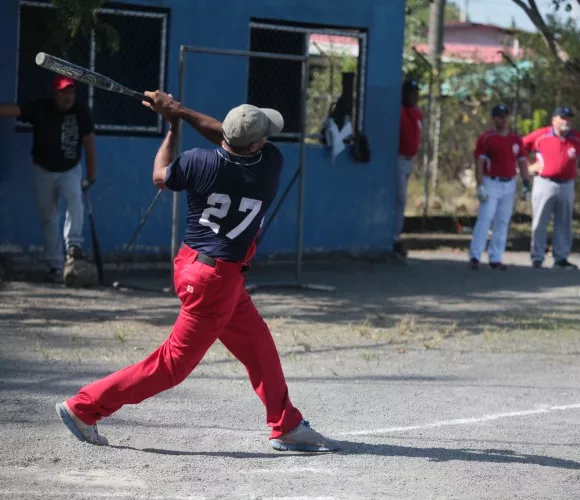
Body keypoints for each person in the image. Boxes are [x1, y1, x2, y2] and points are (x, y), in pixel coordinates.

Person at [54, 91, 339, 453]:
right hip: (215, 281)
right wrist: (181, 112)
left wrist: (172, 125)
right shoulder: (271, 162)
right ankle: (84, 408)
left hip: (198, 267)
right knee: (171, 365)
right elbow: (227, 134)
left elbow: (161, 175)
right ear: (255, 146)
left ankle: (287, 424)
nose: (267, 139)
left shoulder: (196, 162)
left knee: (258, 344)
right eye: (261, 135)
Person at [0, 75, 97, 283]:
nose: (68, 96)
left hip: (70, 169)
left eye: (71, 91)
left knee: (75, 203)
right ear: (54, 93)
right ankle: (55, 266)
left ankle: (74, 247)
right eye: (63, 92)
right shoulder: (41, 108)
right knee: (49, 217)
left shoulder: (81, 112)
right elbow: (14, 110)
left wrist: (91, 176)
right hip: (43, 170)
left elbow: (89, 145)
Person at [522, 106, 580, 269]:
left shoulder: (576, 138)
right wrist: (529, 167)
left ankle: (561, 257)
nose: (566, 121)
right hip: (544, 182)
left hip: (567, 184)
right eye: (562, 118)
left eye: (568, 118)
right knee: (540, 221)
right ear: (554, 119)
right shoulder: (542, 135)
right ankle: (537, 257)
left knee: (564, 222)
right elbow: (521, 146)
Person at [468, 103, 531, 270]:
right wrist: (480, 185)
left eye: (506, 116)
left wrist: (526, 183)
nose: (504, 120)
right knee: (485, 218)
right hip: (491, 182)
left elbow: (522, 162)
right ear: (494, 118)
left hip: (509, 183)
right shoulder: (487, 138)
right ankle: (475, 255)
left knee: (502, 221)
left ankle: (496, 257)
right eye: (500, 116)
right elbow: (479, 162)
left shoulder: (516, 139)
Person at [395, 78, 423, 258]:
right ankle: (393, 237)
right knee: (399, 199)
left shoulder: (416, 113)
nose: (415, 96)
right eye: (411, 93)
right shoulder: (399, 111)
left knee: (402, 201)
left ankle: (396, 236)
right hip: (396, 159)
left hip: (408, 160)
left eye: (416, 93)